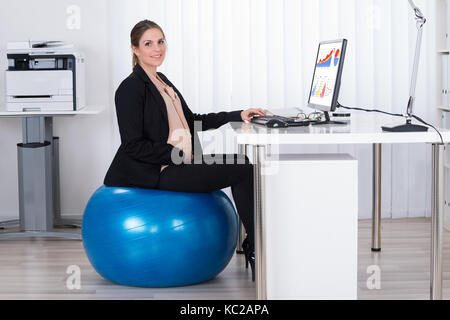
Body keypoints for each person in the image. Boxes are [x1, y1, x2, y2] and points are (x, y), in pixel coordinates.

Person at [104, 20, 265, 281]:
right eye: (148, 44)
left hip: (181, 160)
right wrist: (176, 156)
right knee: (242, 169)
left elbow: (192, 121)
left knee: (242, 161)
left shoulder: (161, 80)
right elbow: (132, 145)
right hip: (160, 170)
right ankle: (257, 248)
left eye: (160, 41)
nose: (157, 49)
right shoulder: (130, 88)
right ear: (135, 49)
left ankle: (252, 244)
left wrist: (238, 115)